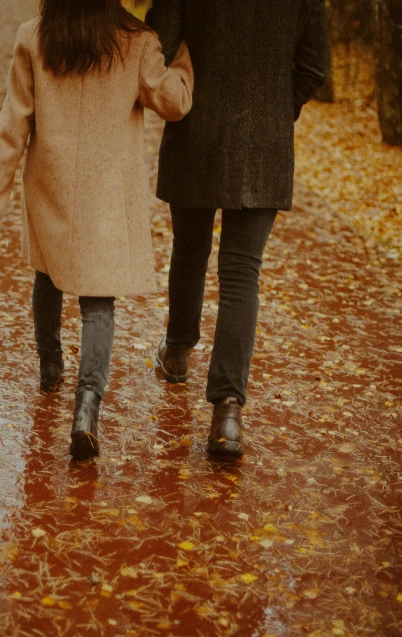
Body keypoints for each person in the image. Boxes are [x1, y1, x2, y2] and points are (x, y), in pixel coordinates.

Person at [0, 0, 193, 461]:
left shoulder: (35, 36)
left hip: (50, 180)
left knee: (47, 272)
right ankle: (87, 408)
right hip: (107, 189)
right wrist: (185, 60)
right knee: (99, 300)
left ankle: (50, 367)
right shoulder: (137, 41)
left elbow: (14, 122)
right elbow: (173, 103)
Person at [146, 0, 329, 457]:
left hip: (196, 132)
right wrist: (272, 110)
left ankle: (178, 352)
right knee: (242, 272)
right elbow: (315, 67)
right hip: (265, 141)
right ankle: (227, 412)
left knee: (189, 250)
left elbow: (157, 42)